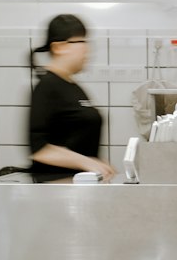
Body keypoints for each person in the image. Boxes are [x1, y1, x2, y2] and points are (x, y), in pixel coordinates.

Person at [29, 15, 116, 184]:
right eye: (81, 42)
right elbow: (39, 148)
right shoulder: (48, 86)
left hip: (80, 187)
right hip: (57, 190)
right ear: (59, 47)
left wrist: (97, 164)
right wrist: (88, 162)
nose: (87, 49)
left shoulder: (71, 86)